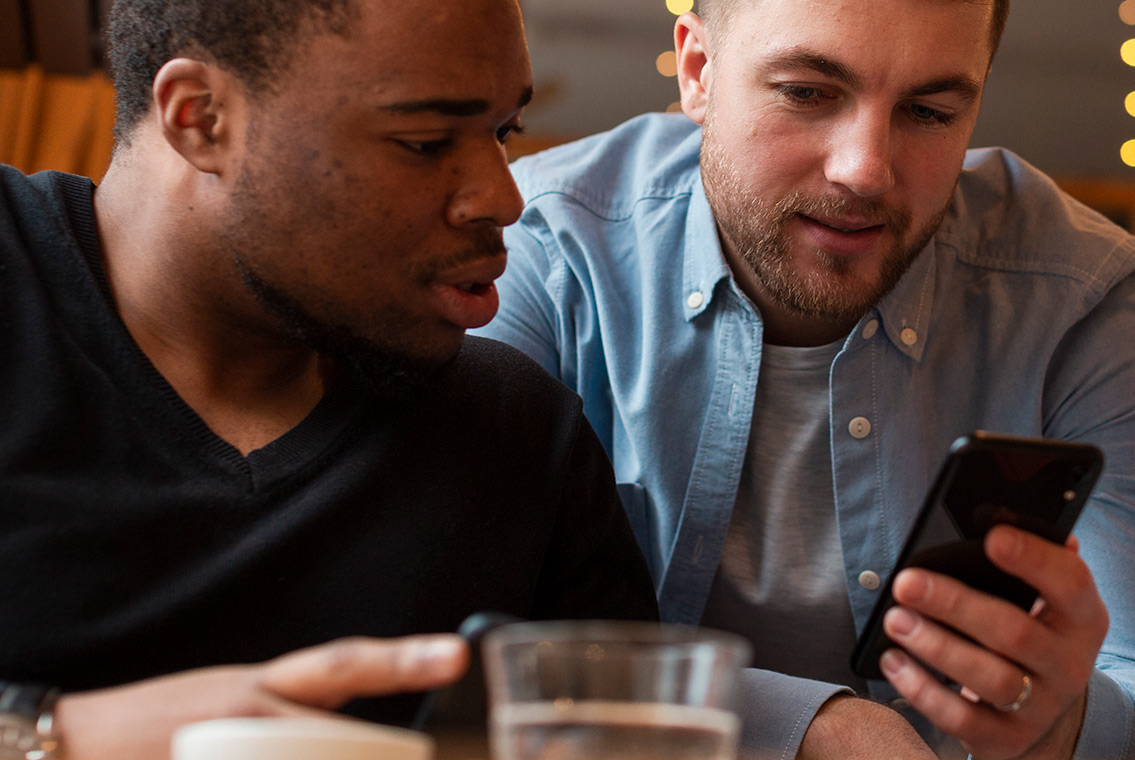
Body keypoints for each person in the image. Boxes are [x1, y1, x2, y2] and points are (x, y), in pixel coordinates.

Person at [473, 0, 1135, 757]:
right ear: (697, 70)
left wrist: (1061, 727)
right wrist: (814, 727)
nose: (863, 171)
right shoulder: (535, 248)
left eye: (927, 111)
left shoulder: (1082, 297)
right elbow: (457, 629)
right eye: (806, 92)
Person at [0, 0, 660, 758]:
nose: (501, 198)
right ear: (201, 117)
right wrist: (62, 736)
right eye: (423, 141)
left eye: (502, 132)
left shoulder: (517, 431)